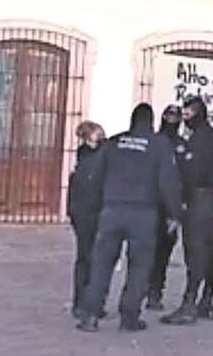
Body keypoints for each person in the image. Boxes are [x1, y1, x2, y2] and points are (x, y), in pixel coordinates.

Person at [75, 104, 183, 333]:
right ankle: (129, 317)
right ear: (151, 121)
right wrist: (174, 214)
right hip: (143, 214)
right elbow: (168, 182)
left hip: (112, 211)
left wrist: (96, 208)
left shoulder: (114, 143)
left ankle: (91, 315)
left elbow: (95, 177)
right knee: (140, 266)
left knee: (101, 264)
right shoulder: (159, 145)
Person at [162, 95, 213, 325]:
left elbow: (186, 173)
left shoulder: (195, 142)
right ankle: (207, 300)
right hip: (210, 199)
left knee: (196, 252)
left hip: (196, 200)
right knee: (210, 249)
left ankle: (189, 303)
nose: (184, 119)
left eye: (188, 114)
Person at [146, 105, 185, 310]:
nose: (172, 119)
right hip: (150, 204)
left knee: (162, 254)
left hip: (170, 207)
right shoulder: (153, 143)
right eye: (169, 115)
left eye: (175, 116)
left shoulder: (181, 145)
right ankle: (142, 289)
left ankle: (155, 292)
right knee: (146, 251)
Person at [68, 121, 107, 319]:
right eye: (97, 133)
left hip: (92, 211)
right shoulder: (87, 156)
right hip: (86, 213)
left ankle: (90, 302)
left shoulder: (98, 154)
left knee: (94, 258)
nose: (101, 136)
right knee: (87, 258)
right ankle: (84, 302)